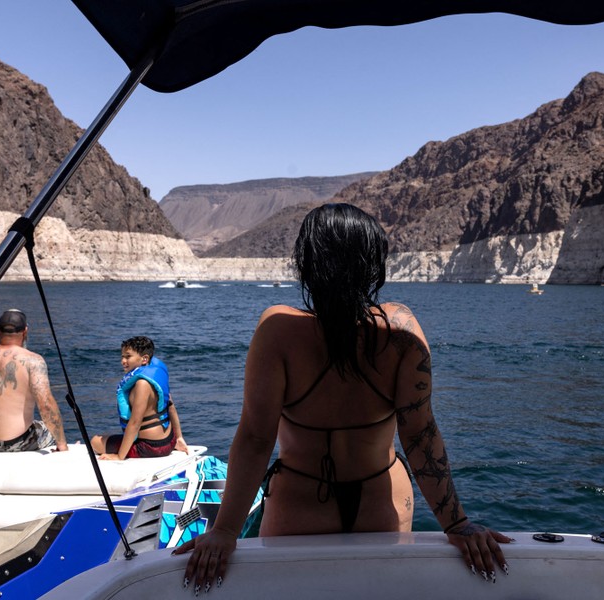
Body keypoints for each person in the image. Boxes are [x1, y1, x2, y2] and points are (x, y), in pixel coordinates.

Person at [176, 203, 509, 592]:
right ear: (373, 266)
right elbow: (419, 435)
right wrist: (457, 524)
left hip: (301, 503)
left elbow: (255, 437)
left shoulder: (278, 330)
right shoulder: (401, 331)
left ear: (307, 265)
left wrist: (226, 531)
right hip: (380, 502)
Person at [0, 309, 69, 452]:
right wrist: (62, 444)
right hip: (16, 443)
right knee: (47, 428)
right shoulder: (33, 360)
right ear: (25, 331)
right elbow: (45, 404)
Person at [91, 336, 188, 460]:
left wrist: (119, 456)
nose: (123, 361)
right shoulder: (155, 374)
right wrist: (178, 438)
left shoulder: (142, 384)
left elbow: (135, 423)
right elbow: (171, 407)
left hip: (150, 447)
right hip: (169, 440)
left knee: (95, 442)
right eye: (122, 356)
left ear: (144, 359)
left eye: (128, 356)